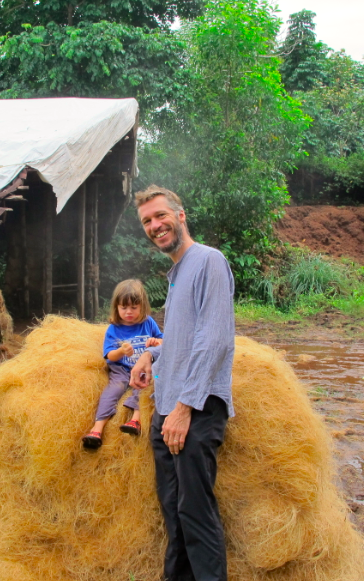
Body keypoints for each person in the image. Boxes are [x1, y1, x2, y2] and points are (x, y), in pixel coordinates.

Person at [130, 186, 235, 581]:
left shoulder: (208, 261)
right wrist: (150, 355)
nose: (155, 226)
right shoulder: (177, 273)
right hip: (167, 408)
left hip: (195, 409)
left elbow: (215, 339)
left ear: (180, 215)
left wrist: (184, 408)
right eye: (147, 222)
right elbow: (182, 338)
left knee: (195, 513)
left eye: (160, 216)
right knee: (175, 515)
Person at [82, 279, 163, 450]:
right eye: (123, 307)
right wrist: (121, 352)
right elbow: (109, 354)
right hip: (121, 369)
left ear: (142, 306)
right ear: (116, 307)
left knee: (146, 384)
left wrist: (156, 342)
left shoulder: (148, 322)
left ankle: (136, 419)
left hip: (142, 368)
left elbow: (163, 340)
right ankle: (97, 429)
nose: (128, 312)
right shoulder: (114, 329)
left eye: (134, 308)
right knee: (113, 391)